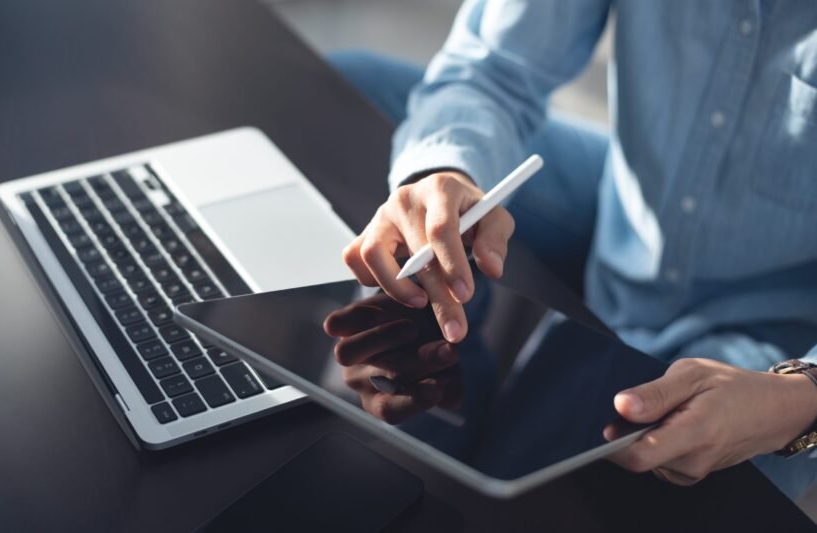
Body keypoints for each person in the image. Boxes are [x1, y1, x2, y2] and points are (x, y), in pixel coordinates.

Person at [329, 0, 817, 499]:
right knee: (353, 86)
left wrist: (801, 399)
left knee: (540, 496)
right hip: (633, 201)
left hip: (776, 342)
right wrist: (445, 173)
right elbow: (492, 69)